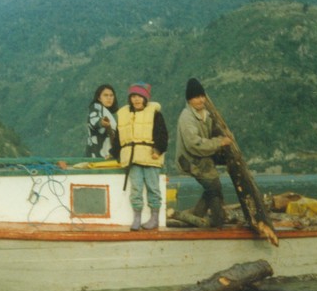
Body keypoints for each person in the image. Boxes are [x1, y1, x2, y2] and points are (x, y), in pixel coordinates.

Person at [175, 78, 232, 228]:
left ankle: (196, 216)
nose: (200, 100)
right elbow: (194, 144)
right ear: (189, 100)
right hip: (191, 160)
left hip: (203, 158)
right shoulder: (186, 117)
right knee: (213, 187)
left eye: (202, 96)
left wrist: (223, 137)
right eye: (196, 97)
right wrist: (219, 142)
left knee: (213, 187)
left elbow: (213, 132)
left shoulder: (206, 114)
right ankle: (218, 221)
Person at [111, 82, 168, 231]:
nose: (136, 100)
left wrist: (158, 150)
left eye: (140, 96)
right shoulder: (124, 115)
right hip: (132, 159)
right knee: (136, 189)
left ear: (145, 98)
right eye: (133, 96)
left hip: (151, 157)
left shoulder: (155, 114)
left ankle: (154, 218)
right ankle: (137, 218)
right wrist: (114, 153)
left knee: (153, 188)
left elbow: (162, 135)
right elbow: (119, 137)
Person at [85, 84, 118, 158]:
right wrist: (101, 122)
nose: (109, 98)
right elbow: (93, 120)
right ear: (99, 98)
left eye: (111, 95)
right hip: (97, 155)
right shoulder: (96, 107)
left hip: (108, 153)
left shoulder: (108, 112)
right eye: (105, 95)